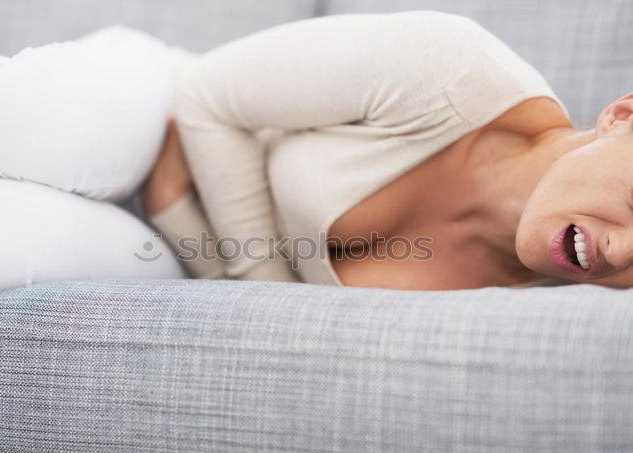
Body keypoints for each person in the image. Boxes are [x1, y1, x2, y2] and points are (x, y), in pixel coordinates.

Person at [145, 11, 633, 290]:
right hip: (166, 118)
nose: (624, 252)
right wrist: (264, 291)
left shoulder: (558, 310)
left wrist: (172, 209)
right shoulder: (448, 69)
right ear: (622, 116)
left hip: (184, 237)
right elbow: (205, 94)